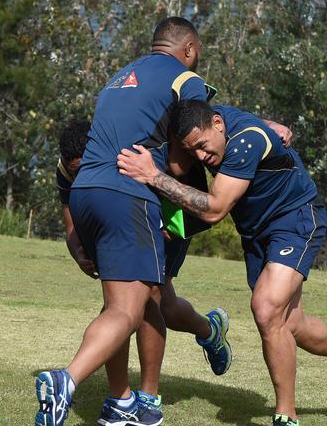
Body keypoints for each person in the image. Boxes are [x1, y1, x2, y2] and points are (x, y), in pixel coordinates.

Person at [34, 17, 213, 426]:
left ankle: (122, 405)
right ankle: (67, 381)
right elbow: (188, 147)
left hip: (87, 194)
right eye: (197, 54)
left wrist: (74, 236)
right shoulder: (186, 80)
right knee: (132, 310)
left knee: (129, 302)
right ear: (189, 49)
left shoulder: (118, 77)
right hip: (130, 194)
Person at [117, 100, 327, 426]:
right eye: (193, 151)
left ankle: (285, 416)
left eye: (202, 147)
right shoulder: (214, 119)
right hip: (257, 233)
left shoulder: (246, 141)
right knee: (292, 326)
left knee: (266, 308)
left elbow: (215, 210)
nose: (201, 157)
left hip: (295, 217)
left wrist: (153, 176)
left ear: (218, 124)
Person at [55, 119, 231, 421]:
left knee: (145, 300)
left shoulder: (132, 150)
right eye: (75, 170)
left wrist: (173, 227)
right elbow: (71, 221)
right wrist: (77, 251)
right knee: (161, 306)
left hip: (168, 221)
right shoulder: (66, 170)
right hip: (123, 225)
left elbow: (188, 192)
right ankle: (209, 329)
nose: (80, 175)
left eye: (85, 167)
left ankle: (145, 397)